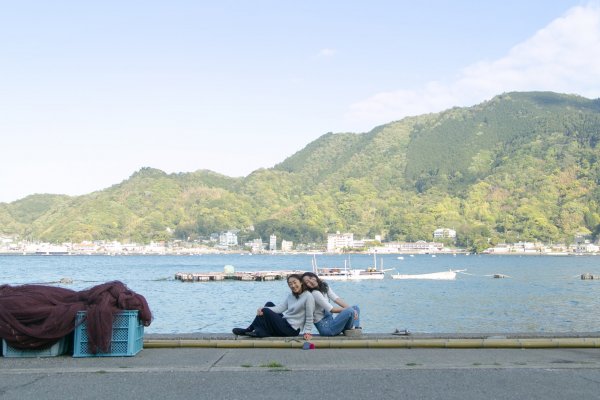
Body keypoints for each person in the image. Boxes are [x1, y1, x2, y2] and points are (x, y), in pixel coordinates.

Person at [232, 274, 314, 340]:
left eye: (295, 282)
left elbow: (310, 316)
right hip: (285, 322)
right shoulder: (291, 295)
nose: (293, 285)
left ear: (301, 282)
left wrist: (307, 332)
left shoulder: (308, 296)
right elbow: (280, 308)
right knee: (269, 304)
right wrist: (262, 308)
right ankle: (262, 332)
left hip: (291, 330)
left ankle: (250, 329)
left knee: (266, 311)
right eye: (290, 284)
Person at [301, 272, 360, 336]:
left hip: (333, 323)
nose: (311, 281)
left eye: (311, 278)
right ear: (306, 286)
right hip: (327, 329)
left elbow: (336, 299)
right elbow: (332, 310)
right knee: (350, 310)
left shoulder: (324, 286)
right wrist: (350, 310)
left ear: (314, 276)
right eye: (307, 282)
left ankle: (352, 329)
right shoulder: (315, 293)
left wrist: (351, 309)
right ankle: (352, 329)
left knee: (355, 308)